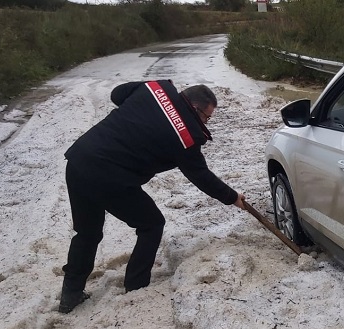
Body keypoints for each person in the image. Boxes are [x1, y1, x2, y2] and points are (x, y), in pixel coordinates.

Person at [58, 80, 245, 313]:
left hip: (80, 160)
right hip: (111, 178)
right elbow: (201, 176)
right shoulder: (186, 137)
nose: (206, 123)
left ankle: (70, 295)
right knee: (152, 224)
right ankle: (136, 286)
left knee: (86, 233)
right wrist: (232, 197)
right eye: (207, 117)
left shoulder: (156, 88)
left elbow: (117, 94)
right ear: (195, 108)